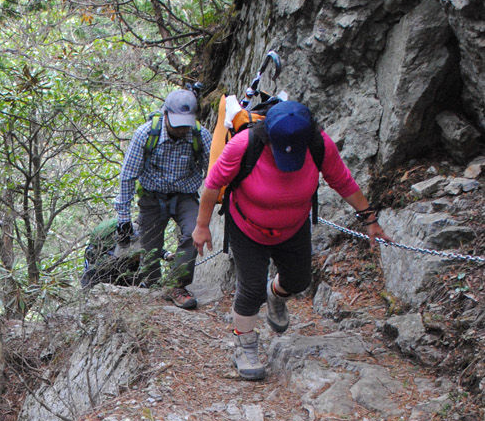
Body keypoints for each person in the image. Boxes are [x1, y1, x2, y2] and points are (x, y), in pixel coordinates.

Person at [192, 100, 390, 380]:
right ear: (267, 137)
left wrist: (370, 219)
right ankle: (244, 346)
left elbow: (342, 181)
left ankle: (276, 294)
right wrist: (202, 226)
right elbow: (213, 184)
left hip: (293, 227)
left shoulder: (319, 145)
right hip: (247, 227)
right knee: (250, 290)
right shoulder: (244, 145)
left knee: (299, 281)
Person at [114, 88, 209, 310]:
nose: (182, 129)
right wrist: (123, 219)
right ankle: (154, 286)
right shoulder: (146, 135)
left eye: (186, 124)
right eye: (177, 124)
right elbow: (128, 177)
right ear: (165, 114)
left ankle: (177, 286)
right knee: (150, 248)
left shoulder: (200, 136)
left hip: (185, 195)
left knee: (194, 232)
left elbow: (214, 172)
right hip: (152, 197)